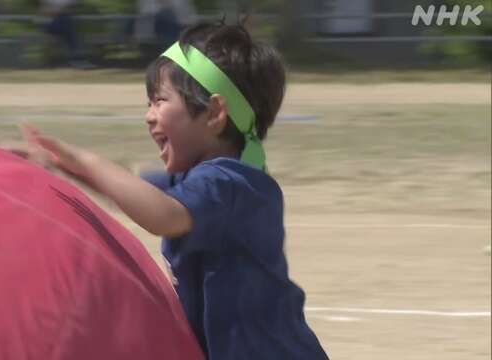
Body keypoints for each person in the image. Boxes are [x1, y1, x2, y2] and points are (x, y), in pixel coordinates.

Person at [20, 21, 328, 360]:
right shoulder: (198, 179)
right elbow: (128, 187)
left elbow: (164, 216)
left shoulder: (228, 184)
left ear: (214, 113)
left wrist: (83, 158)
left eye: (159, 101)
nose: (148, 117)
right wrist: (57, 163)